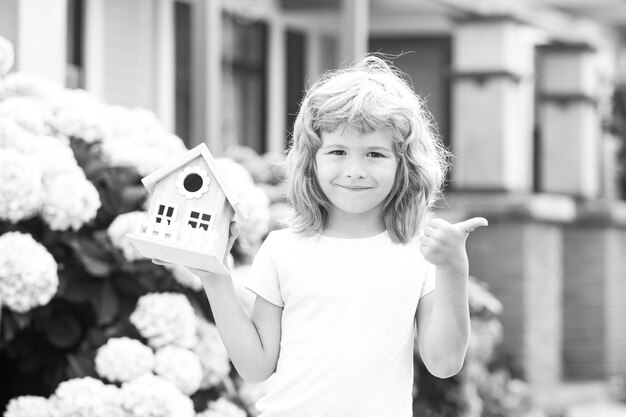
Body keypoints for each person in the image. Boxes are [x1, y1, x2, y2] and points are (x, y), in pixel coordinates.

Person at [158, 55, 487, 417]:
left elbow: (443, 362)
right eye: (338, 152)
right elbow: (256, 367)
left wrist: (454, 267)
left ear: (404, 165)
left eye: (375, 154)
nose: (354, 170)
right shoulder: (283, 248)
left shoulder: (417, 252)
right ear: (311, 160)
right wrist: (214, 278)